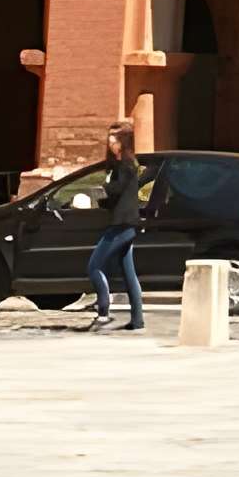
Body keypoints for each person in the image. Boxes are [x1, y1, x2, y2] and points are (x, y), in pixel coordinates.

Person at [85, 126, 145, 331]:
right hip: (126, 223)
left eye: (114, 139)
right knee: (129, 274)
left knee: (94, 266)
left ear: (123, 142)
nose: (110, 143)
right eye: (110, 138)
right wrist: (103, 199)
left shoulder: (126, 164)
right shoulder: (123, 165)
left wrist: (101, 189)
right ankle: (137, 320)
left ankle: (103, 311)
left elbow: (118, 189)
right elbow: (117, 197)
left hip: (122, 225)